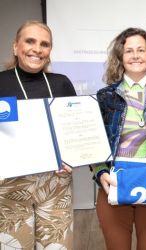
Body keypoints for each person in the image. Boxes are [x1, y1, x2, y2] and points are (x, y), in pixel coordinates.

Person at [93, 27, 146, 250]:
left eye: (141, 50)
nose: (135, 55)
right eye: (129, 50)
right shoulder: (105, 96)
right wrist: (101, 172)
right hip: (114, 182)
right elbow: (95, 142)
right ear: (120, 57)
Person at [0, 21, 76, 249]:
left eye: (45, 44)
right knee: (14, 245)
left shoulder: (61, 84)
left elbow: (74, 130)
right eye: (30, 41)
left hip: (56, 184)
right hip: (9, 186)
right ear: (15, 46)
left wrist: (74, 155)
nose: (37, 49)